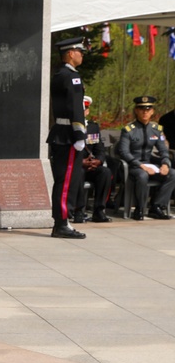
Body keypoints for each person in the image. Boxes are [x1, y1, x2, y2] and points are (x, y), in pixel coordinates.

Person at [46, 36, 87, 238]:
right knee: (66, 180)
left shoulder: (60, 74)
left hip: (61, 134)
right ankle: (62, 223)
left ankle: (62, 222)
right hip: (69, 136)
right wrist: (79, 134)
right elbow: (74, 107)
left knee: (64, 180)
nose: (82, 55)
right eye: (80, 51)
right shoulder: (71, 77)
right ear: (71, 53)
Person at [116, 95, 175, 220]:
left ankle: (157, 207)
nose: (145, 112)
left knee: (172, 173)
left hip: (149, 163)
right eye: (141, 109)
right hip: (133, 166)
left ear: (152, 111)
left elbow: (163, 150)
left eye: (148, 109)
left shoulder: (156, 130)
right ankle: (140, 208)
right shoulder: (128, 130)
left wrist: (165, 163)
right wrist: (141, 166)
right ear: (136, 110)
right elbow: (124, 152)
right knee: (142, 175)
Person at [73, 95, 113, 223]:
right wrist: (80, 162)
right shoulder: (69, 126)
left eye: (85, 109)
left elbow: (99, 149)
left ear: (87, 111)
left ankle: (99, 211)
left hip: (91, 165)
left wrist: (99, 161)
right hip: (76, 165)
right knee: (78, 173)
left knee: (105, 172)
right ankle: (78, 211)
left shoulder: (93, 127)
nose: (82, 112)